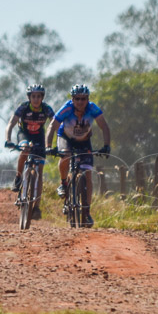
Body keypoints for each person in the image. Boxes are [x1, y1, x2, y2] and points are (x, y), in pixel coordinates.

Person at [44, 84, 111, 227]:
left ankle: (86, 213)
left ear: (88, 99)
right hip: (65, 137)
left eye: (83, 99)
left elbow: (104, 126)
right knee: (65, 155)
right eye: (77, 99)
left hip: (84, 141)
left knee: (87, 175)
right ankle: (63, 183)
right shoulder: (67, 108)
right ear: (72, 99)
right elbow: (52, 126)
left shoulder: (92, 109)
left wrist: (106, 146)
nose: (80, 102)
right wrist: (48, 146)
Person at [4, 84, 55, 220]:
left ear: (42, 98)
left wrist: (54, 144)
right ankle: (18, 177)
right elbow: (10, 124)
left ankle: (36, 207)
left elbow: (55, 124)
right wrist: (8, 139)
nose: (36, 99)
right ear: (29, 97)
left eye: (39, 96)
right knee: (25, 149)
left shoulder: (47, 109)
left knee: (39, 170)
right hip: (24, 134)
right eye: (33, 96)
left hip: (39, 137)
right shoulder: (23, 107)